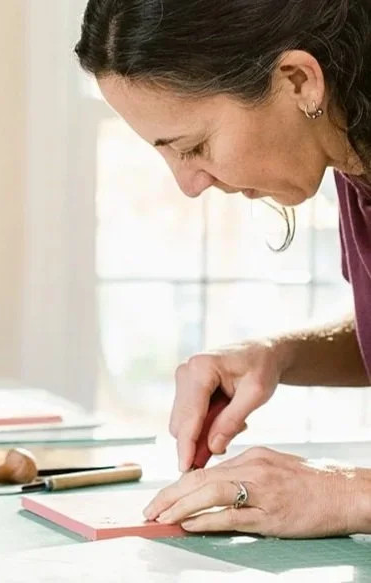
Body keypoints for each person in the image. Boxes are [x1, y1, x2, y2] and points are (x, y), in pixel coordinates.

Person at [74, 0, 371, 538]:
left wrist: (347, 492)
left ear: (299, 80)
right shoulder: (356, 166)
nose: (189, 186)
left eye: (195, 146)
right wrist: (277, 356)